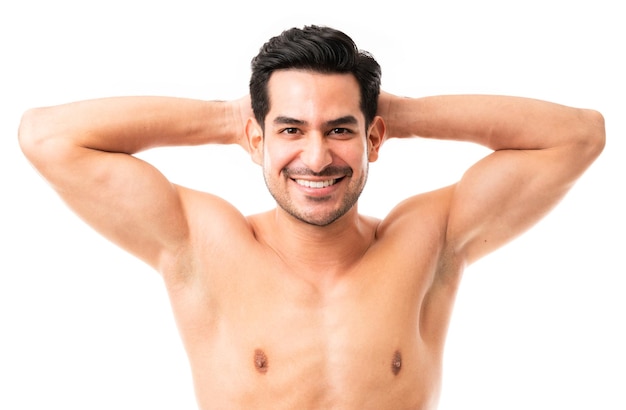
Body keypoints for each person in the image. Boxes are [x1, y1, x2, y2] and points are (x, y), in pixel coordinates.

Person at [18, 25, 605, 409]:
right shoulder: (204, 242)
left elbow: (579, 137)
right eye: (291, 130)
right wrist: (229, 119)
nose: (318, 157)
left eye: (341, 129)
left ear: (374, 137)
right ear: (257, 138)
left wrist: (397, 112)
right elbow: (46, 137)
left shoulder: (427, 240)